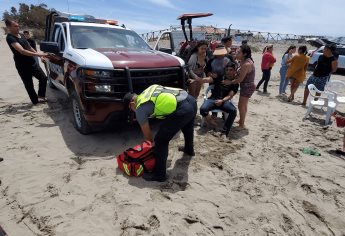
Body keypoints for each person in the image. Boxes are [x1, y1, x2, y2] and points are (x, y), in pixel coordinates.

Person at [124, 84, 197, 182]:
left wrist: (152, 150)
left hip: (182, 108)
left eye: (130, 108)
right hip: (191, 100)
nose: (132, 110)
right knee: (187, 126)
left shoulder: (140, 109)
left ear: (132, 103)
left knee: (160, 140)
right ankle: (189, 149)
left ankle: (159, 174)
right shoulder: (147, 91)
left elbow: (148, 138)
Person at [5, 19, 48, 105]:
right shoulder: (10, 38)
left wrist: (39, 55)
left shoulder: (21, 35)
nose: (18, 27)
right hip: (22, 65)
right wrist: (38, 55)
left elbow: (29, 47)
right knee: (29, 85)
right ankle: (35, 101)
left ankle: (41, 96)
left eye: (18, 25)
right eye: (15, 26)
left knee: (43, 78)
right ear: (9, 27)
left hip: (32, 62)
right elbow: (22, 51)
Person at [199, 62, 239, 136]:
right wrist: (200, 79)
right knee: (202, 109)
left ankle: (224, 131)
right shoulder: (220, 77)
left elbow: (230, 95)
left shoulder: (235, 83)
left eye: (231, 70)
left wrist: (222, 100)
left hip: (224, 101)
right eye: (227, 70)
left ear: (234, 71)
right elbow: (210, 79)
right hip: (213, 99)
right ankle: (212, 122)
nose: (228, 72)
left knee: (233, 111)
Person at [227, 45, 256, 129]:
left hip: (248, 87)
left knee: (241, 105)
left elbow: (240, 79)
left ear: (244, 54)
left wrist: (230, 82)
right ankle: (241, 120)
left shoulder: (246, 64)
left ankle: (242, 125)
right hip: (246, 86)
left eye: (238, 52)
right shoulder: (242, 61)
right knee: (244, 105)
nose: (236, 53)